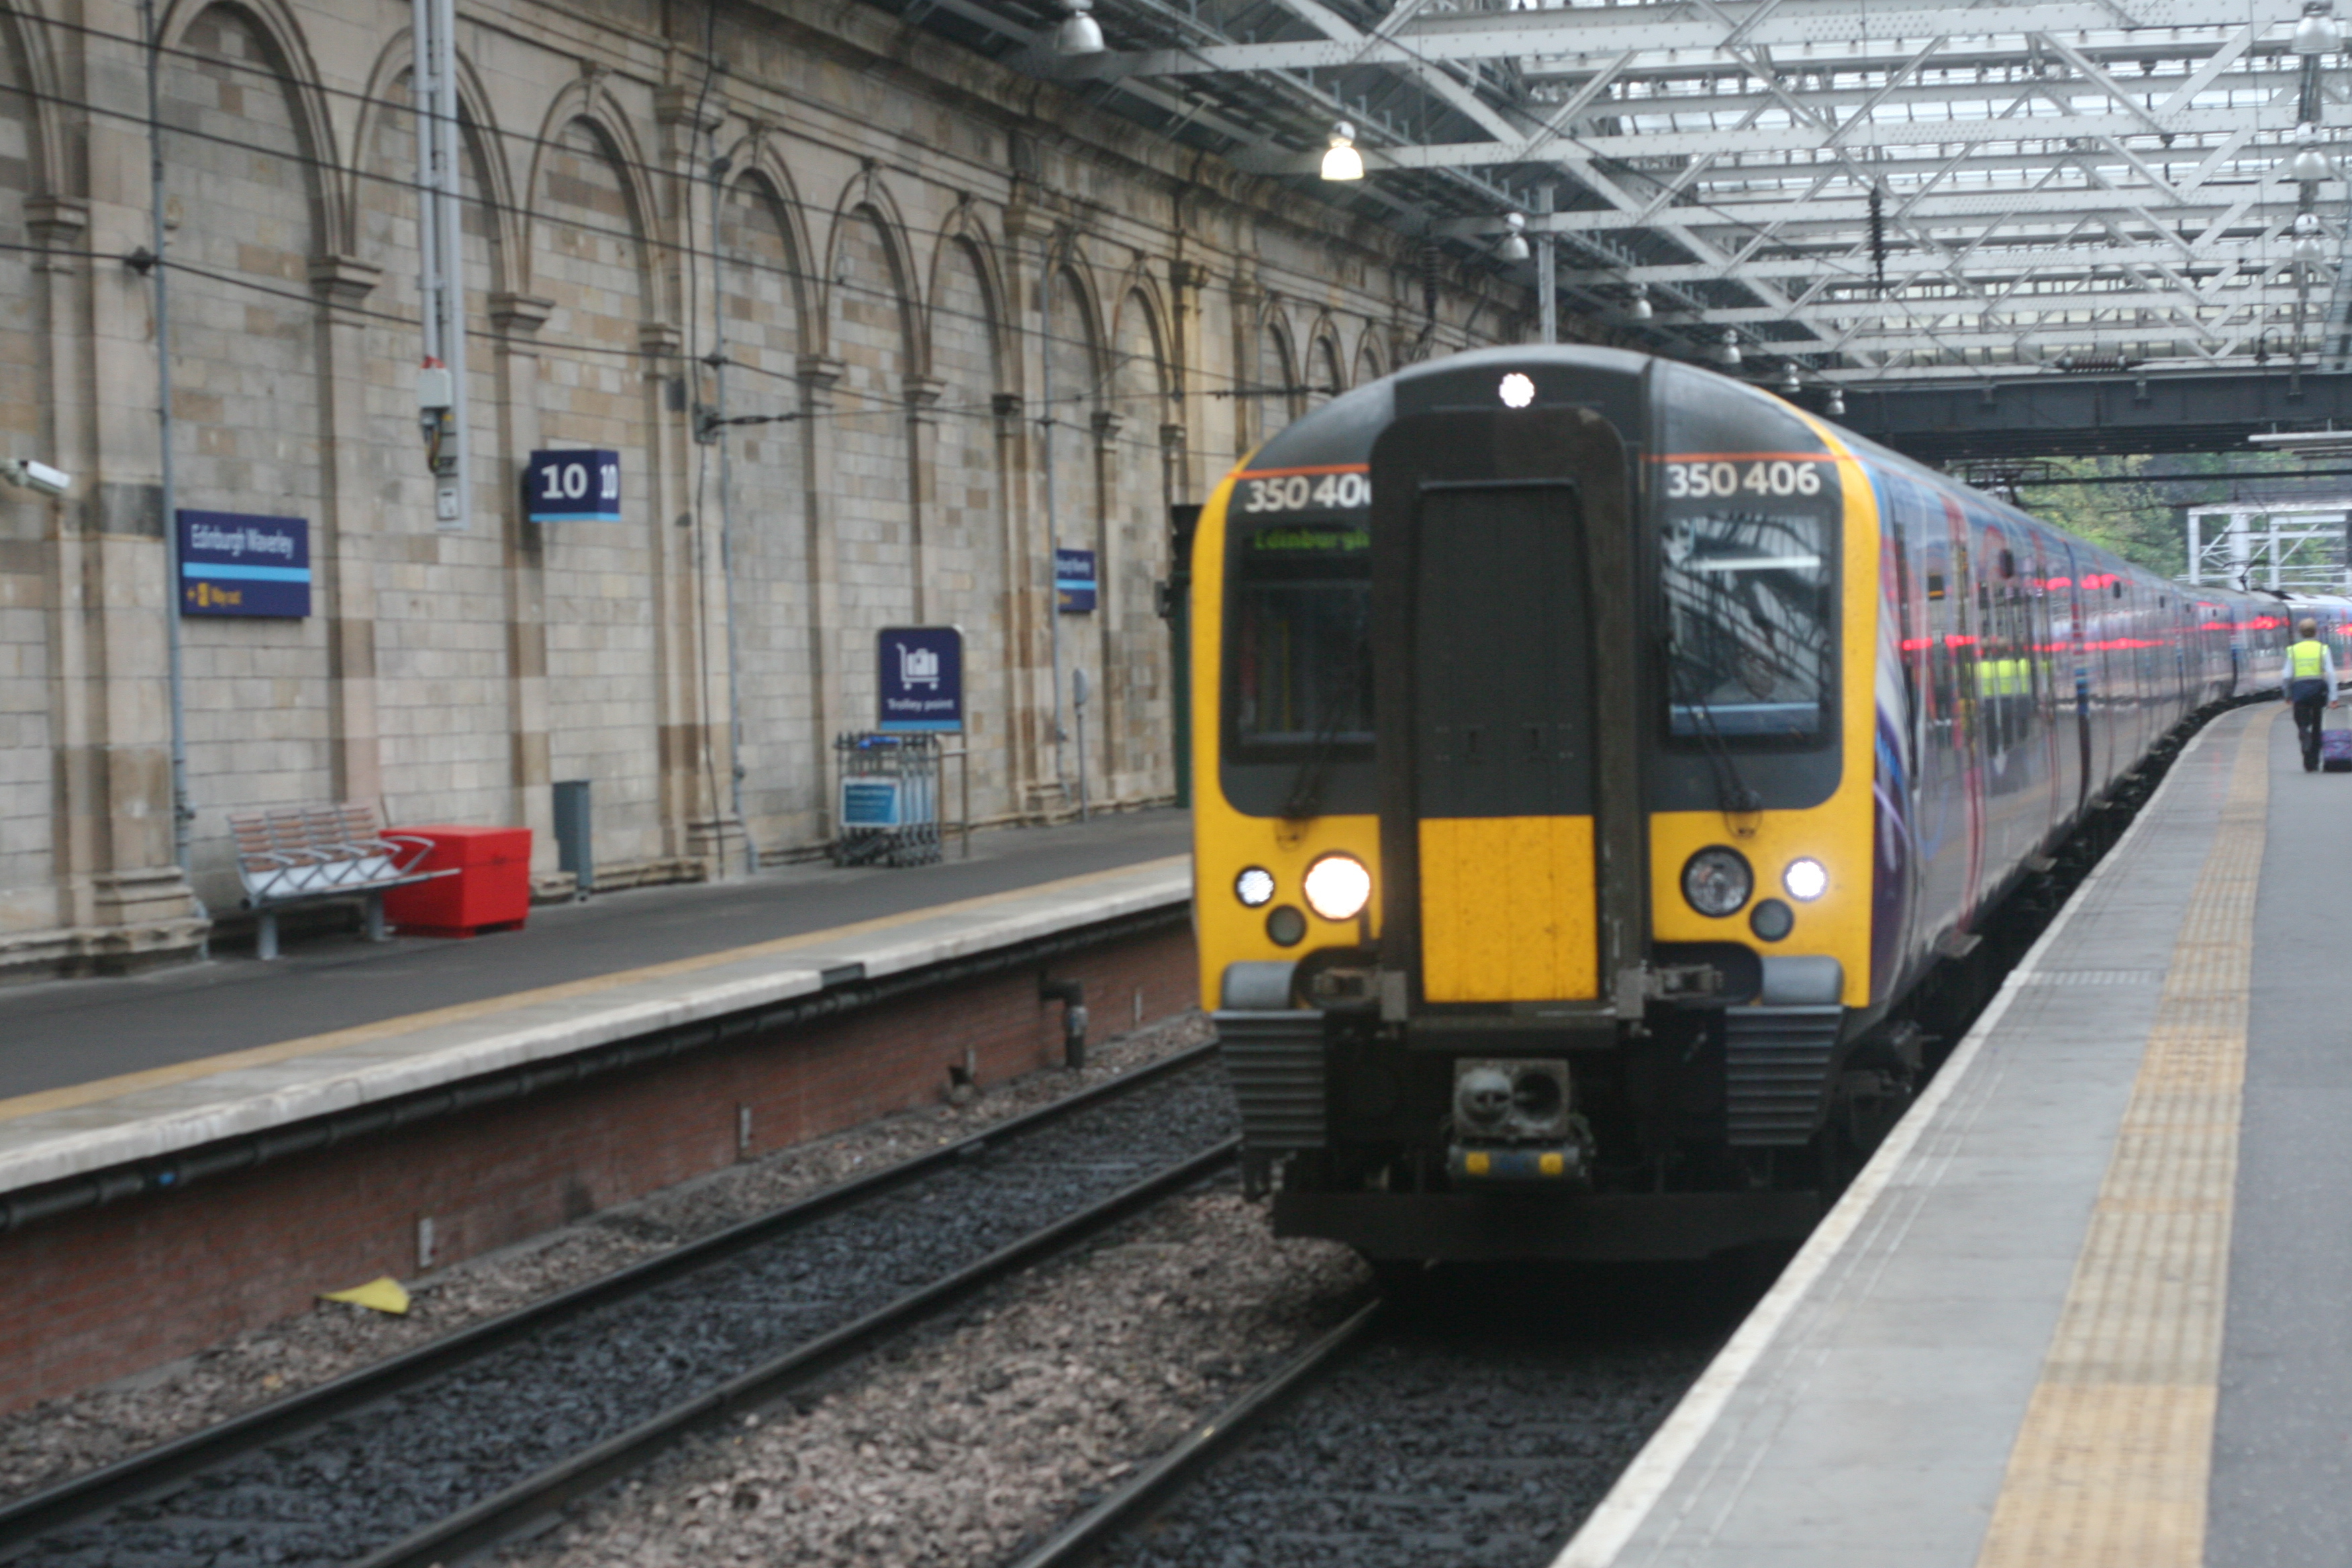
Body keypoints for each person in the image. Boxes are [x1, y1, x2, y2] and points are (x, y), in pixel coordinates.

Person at [2281, 617, 2339, 771]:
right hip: (2318, 691)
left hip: (2299, 691)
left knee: (2302, 721)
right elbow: (2331, 674)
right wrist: (2333, 697)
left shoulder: (2293, 650)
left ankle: (2304, 735)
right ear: (2316, 632)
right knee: (2317, 725)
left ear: (2300, 633)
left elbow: (2287, 675)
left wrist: (2287, 693)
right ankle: (2312, 762)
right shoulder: (2322, 649)